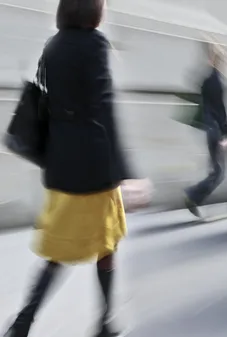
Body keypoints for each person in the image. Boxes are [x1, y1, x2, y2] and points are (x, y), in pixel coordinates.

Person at [4, 1, 132, 336]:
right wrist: (125, 169)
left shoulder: (54, 45)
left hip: (62, 165)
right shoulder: (96, 45)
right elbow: (102, 109)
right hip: (94, 166)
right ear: (94, 10)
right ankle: (101, 323)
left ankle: (25, 322)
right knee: (103, 246)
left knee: (63, 248)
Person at [184, 44, 227, 218]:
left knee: (217, 170)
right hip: (215, 129)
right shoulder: (218, 82)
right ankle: (192, 195)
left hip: (209, 127)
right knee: (219, 172)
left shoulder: (208, 79)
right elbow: (221, 111)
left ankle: (194, 196)